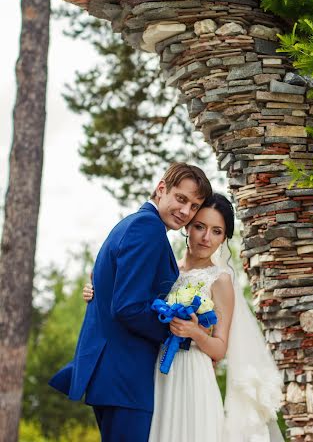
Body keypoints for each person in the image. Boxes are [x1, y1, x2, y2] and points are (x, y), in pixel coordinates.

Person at [83, 193, 284, 442]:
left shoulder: (220, 280)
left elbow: (220, 348)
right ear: (187, 226)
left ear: (224, 238)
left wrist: (195, 333)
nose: (206, 237)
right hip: (154, 370)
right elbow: (130, 297)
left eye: (217, 231)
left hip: (193, 375)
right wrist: (95, 290)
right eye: (199, 226)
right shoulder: (166, 268)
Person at [49, 162, 212, 442]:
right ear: (161, 189)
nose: (186, 211)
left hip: (116, 376)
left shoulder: (135, 224)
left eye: (194, 206)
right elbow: (128, 307)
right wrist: (178, 334)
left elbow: (115, 291)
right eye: (181, 199)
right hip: (125, 377)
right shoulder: (147, 228)